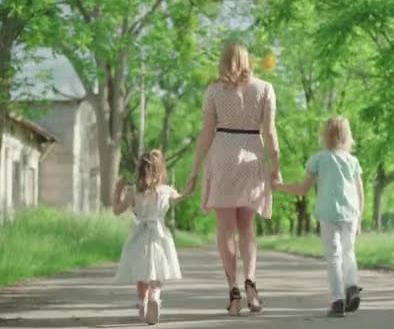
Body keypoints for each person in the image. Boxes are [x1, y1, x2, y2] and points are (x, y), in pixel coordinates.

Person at [183, 42, 281, 316]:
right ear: (248, 59)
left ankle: (233, 291)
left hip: (222, 155)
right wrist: (276, 166)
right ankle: (251, 282)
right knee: (247, 229)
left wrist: (193, 171)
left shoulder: (213, 91)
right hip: (252, 155)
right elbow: (270, 132)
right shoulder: (265, 89)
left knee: (226, 228)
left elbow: (205, 133)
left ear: (223, 61)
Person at [273, 116, 364, 318]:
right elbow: (360, 192)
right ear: (348, 136)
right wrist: (360, 217)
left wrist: (281, 186)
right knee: (349, 253)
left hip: (328, 212)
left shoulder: (319, 158)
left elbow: (303, 190)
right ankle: (352, 287)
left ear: (325, 135)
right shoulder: (353, 161)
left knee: (333, 256)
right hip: (351, 213)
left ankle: (338, 300)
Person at [113, 149, 184, 325]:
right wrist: (190, 187)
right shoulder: (165, 191)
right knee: (157, 273)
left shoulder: (132, 191)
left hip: (139, 236)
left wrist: (117, 190)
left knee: (141, 273)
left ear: (139, 170)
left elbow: (117, 210)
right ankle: (155, 295)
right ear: (161, 172)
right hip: (159, 236)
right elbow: (181, 197)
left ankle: (142, 305)